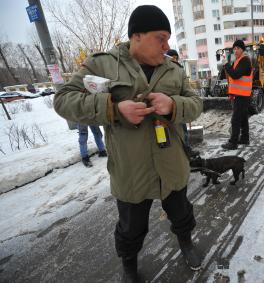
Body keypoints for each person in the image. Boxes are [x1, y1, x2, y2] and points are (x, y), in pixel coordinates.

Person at [54, 5, 203, 282]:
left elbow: (196, 104)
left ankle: (186, 243)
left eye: (168, 39)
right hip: (131, 171)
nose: (166, 45)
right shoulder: (101, 64)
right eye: (160, 38)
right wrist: (112, 108)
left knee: (182, 214)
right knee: (131, 229)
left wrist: (173, 104)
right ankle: (130, 266)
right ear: (137, 36)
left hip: (172, 165)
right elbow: (63, 100)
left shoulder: (173, 70)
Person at [166, 49, 200, 158]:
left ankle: (186, 149)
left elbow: (186, 90)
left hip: (180, 106)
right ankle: (180, 152)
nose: (174, 60)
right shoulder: (164, 72)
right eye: (172, 58)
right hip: (168, 109)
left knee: (183, 130)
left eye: (176, 58)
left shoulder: (179, 70)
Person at [221, 39, 253, 150]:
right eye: (234, 48)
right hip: (239, 94)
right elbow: (234, 81)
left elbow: (235, 75)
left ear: (242, 49)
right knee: (243, 117)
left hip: (242, 96)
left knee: (235, 119)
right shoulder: (237, 61)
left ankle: (233, 142)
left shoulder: (245, 60)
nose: (235, 50)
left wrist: (226, 65)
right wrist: (231, 93)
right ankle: (244, 138)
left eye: (238, 48)